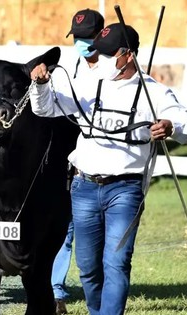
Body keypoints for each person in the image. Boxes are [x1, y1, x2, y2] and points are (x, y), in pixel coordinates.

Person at [29, 23, 187, 314]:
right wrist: (41, 85)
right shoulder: (88, 83)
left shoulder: (154, 93)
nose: (103, 59)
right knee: (87, 267)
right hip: (83, 187)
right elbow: (45, 109)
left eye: (110, 54)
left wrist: (172, 127)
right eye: (101, 53)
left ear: (128, 55)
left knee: (117, 262)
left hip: (126, 189)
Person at [51, 8, 105, 314]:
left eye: (88, 38)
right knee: (65, 227)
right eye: (78, 38)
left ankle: (98, 287)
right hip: (67, 158)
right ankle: (55, 290)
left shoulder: (114, 70)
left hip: (103, 163)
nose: (82, 44)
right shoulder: (69, 67)